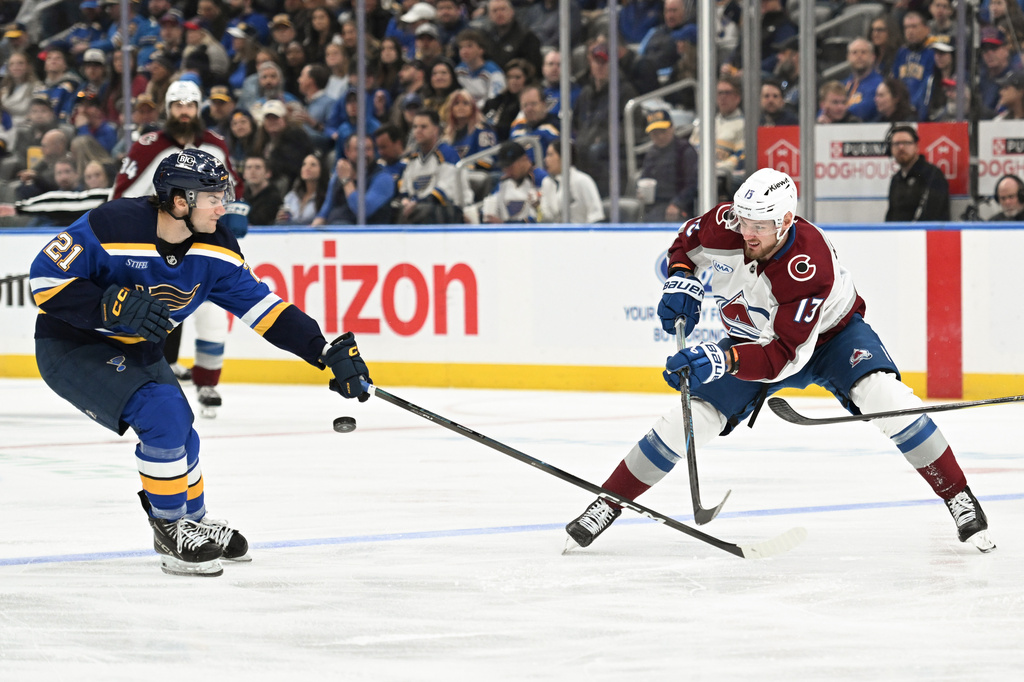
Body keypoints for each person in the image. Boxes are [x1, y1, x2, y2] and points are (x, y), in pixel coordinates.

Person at [564, 167, 995, 555]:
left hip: (831, 339)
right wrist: (681, 276)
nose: (747, 233)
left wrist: (721, 358)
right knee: (687, 417)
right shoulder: (729, 223)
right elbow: (687, 243)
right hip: (754, 341)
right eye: (744, 220)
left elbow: (785, 357)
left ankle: (957, 494)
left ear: (786, 221)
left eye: (760, 226)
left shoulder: (809, 264)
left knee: (886, 397)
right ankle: (609, 502)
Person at [29, 148, 373, 577]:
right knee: (163, 416)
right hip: (74, 345)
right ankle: (170, 529)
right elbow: (43, 279)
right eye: (211, 197)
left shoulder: (218, 249)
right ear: (178, 201)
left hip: (138, 347)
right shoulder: (111, 224)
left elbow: (265, 310)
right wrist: (108, 305)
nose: (222, 206)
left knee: (181, 430)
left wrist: (321, 351)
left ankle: (192, 519)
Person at [112, 79, 246, 412]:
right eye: (177, 106)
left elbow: (233, 187)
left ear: (198, 107)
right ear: (168, 109)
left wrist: (236, 209)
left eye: (189, 105)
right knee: (157, 309)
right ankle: (149, 376)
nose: (183, 112)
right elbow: (120, 192)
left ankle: (207, 383)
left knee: (214, 310)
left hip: (204, 244)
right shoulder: (148, 144)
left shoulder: (215, 143)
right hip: (158, 243)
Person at [399, 109, 470, 223]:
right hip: (420, 206)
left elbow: (442, 193)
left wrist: (416, 203)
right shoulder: (413, 158)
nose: (418, 131)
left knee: (423, 211)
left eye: (423, 127)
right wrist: (405, 201)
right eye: (415, 127)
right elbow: (405, 189)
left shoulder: (447, 154)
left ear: (436, 129)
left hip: (451, 208)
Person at [313, 134, 396, 225]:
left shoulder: (383, 178)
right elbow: (326, 210)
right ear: (347, 152)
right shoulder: (338, 176)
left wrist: (346, 181)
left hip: (366, 234)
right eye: (358, 149)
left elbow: (363, 210)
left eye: (368, 149)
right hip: (335, 230)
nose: (364, 154)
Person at [637, 109, 698, 223]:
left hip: (679, 208)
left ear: (672, 128)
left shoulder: (685, 150)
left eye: (662, 131)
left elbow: (693, 184)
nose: (659, 136)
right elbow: (644, 178)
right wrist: (641, 191)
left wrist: (677, 203)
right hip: (653, 206)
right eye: (655, 133)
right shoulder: (651, 153)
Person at [885, 124, 950, 222]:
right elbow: (891, 215)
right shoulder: (896, 179)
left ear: (916, 147)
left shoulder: (932, 175)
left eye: (906, 143)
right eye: (896, 144)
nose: (901, 147)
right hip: (897, 235)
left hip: (926, 235)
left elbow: (933, 215)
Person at [538, 139, 604, 224]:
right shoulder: (547, 182)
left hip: (580, 234)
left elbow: (596, 215)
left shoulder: (582, 180)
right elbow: (547, 218)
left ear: (564, 157)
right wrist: (537, 206)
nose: (546, 159)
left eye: (550, 155)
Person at [481, 140, 547, 223]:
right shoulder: (504, 181)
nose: (507, 172)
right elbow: (491, 203)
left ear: (524, 159)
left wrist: (504, 224)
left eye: (510, 167)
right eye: (504, 168)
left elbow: (540, 219)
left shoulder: (542, 179)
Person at [278, 152, 329, 225]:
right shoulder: (292, 196)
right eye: (304, 164)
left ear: (322, 170)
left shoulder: (326, 196)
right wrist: (281, 217)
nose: (307, 168)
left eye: (313, 165)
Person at [844, 37, 884, 122]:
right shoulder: (843, 85)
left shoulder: (880, 84)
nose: (859, 56)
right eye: (854, 52)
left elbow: (864, 110)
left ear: (873, 57)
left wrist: (836, 112)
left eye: (863, 52)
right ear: (848, 57)